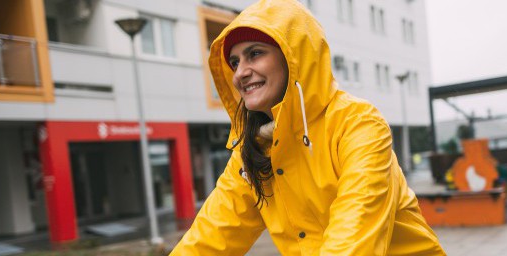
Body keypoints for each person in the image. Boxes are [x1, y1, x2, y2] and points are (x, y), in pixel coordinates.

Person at [171, 0, 445, 255]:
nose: (240, 72)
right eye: (234, 62)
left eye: (255, 54)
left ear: (294, 58)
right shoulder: (252, 151)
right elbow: (210, 235)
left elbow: (355, 230)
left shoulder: (358, 123)